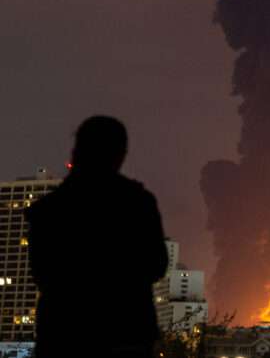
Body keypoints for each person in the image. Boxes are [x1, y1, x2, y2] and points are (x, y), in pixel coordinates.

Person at [25, 116, 168, 358]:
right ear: (120, 154)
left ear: (77, 150)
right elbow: (157, 265)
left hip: (64, 336)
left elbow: (42, 273)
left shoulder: (49, 210)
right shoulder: (137, 203)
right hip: (125, 334)